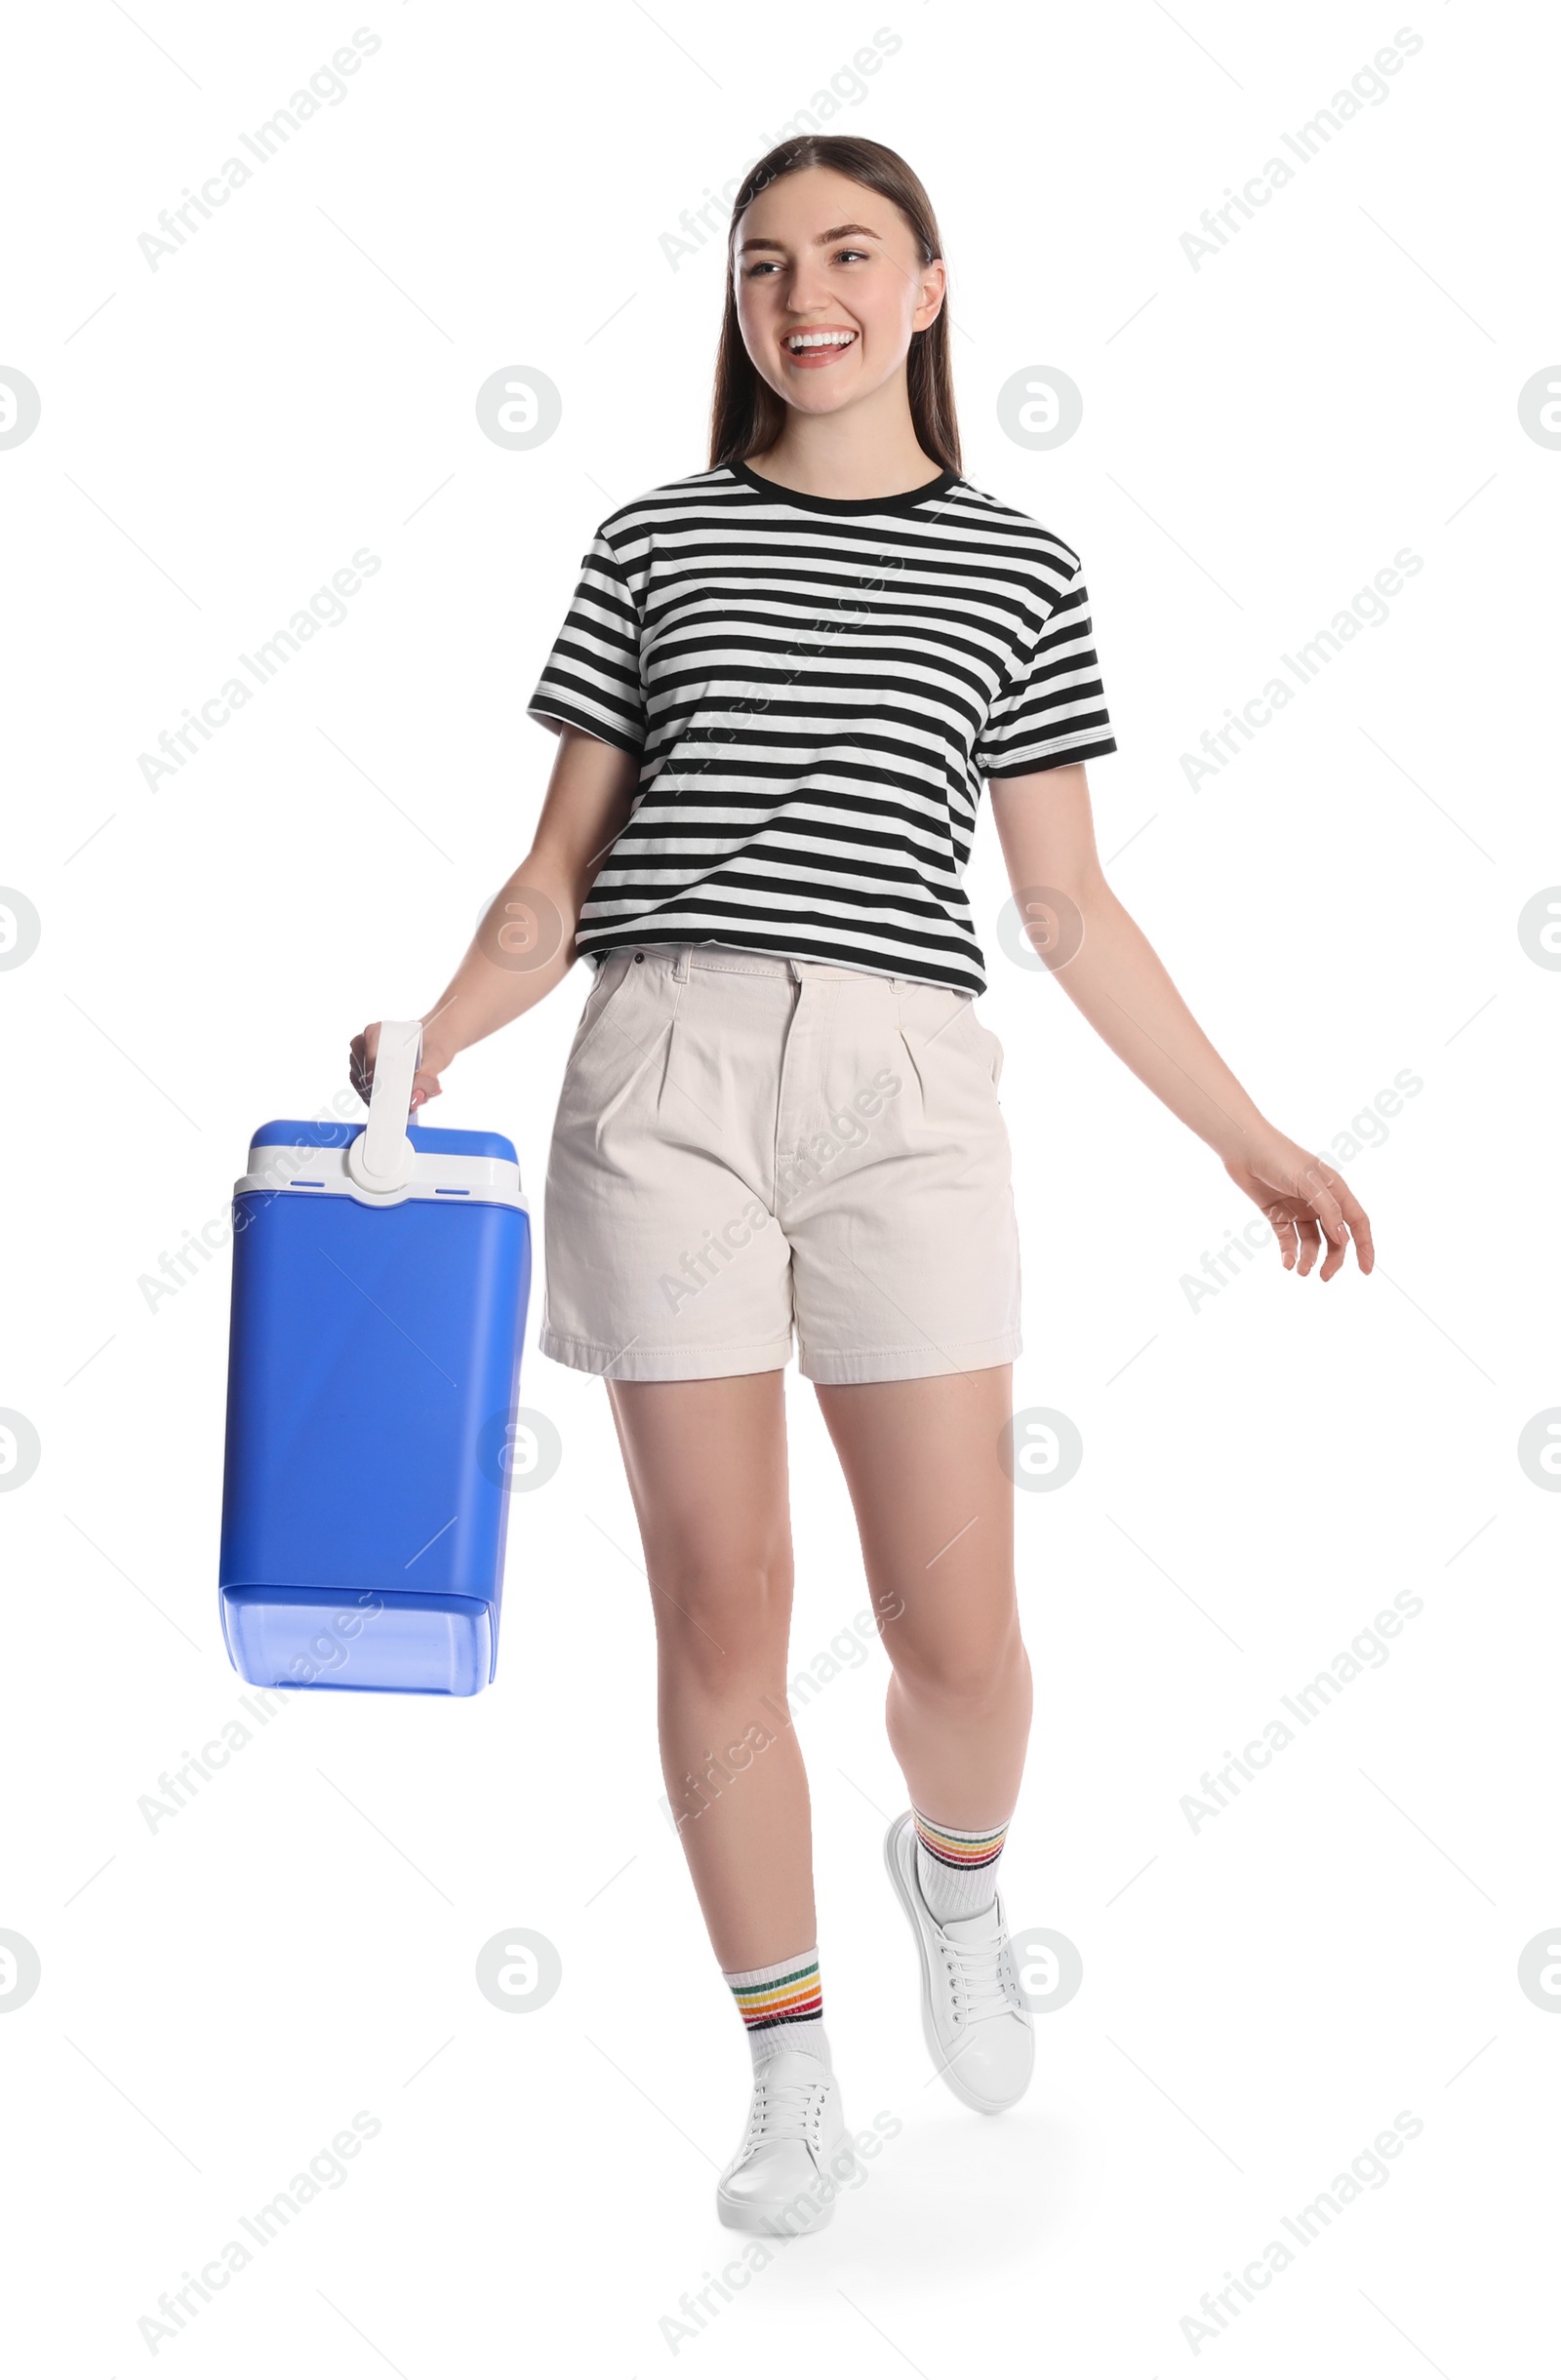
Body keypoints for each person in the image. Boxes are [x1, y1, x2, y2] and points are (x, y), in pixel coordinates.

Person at [351, 133, 1373, 2238]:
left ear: (923, 287)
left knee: (958, 1633)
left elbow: (1066, 907)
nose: (796, 291)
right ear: (732, 306)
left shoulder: (1015, 566)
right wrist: (437, 1030)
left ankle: (956, 1874)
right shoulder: (649, 540)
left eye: (841, 253)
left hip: (909, 1081)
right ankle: (789, 2066)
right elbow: (553, 880)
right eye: (757, 262)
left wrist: (1246, 1131)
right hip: (665, 1071)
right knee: (720, 1600)